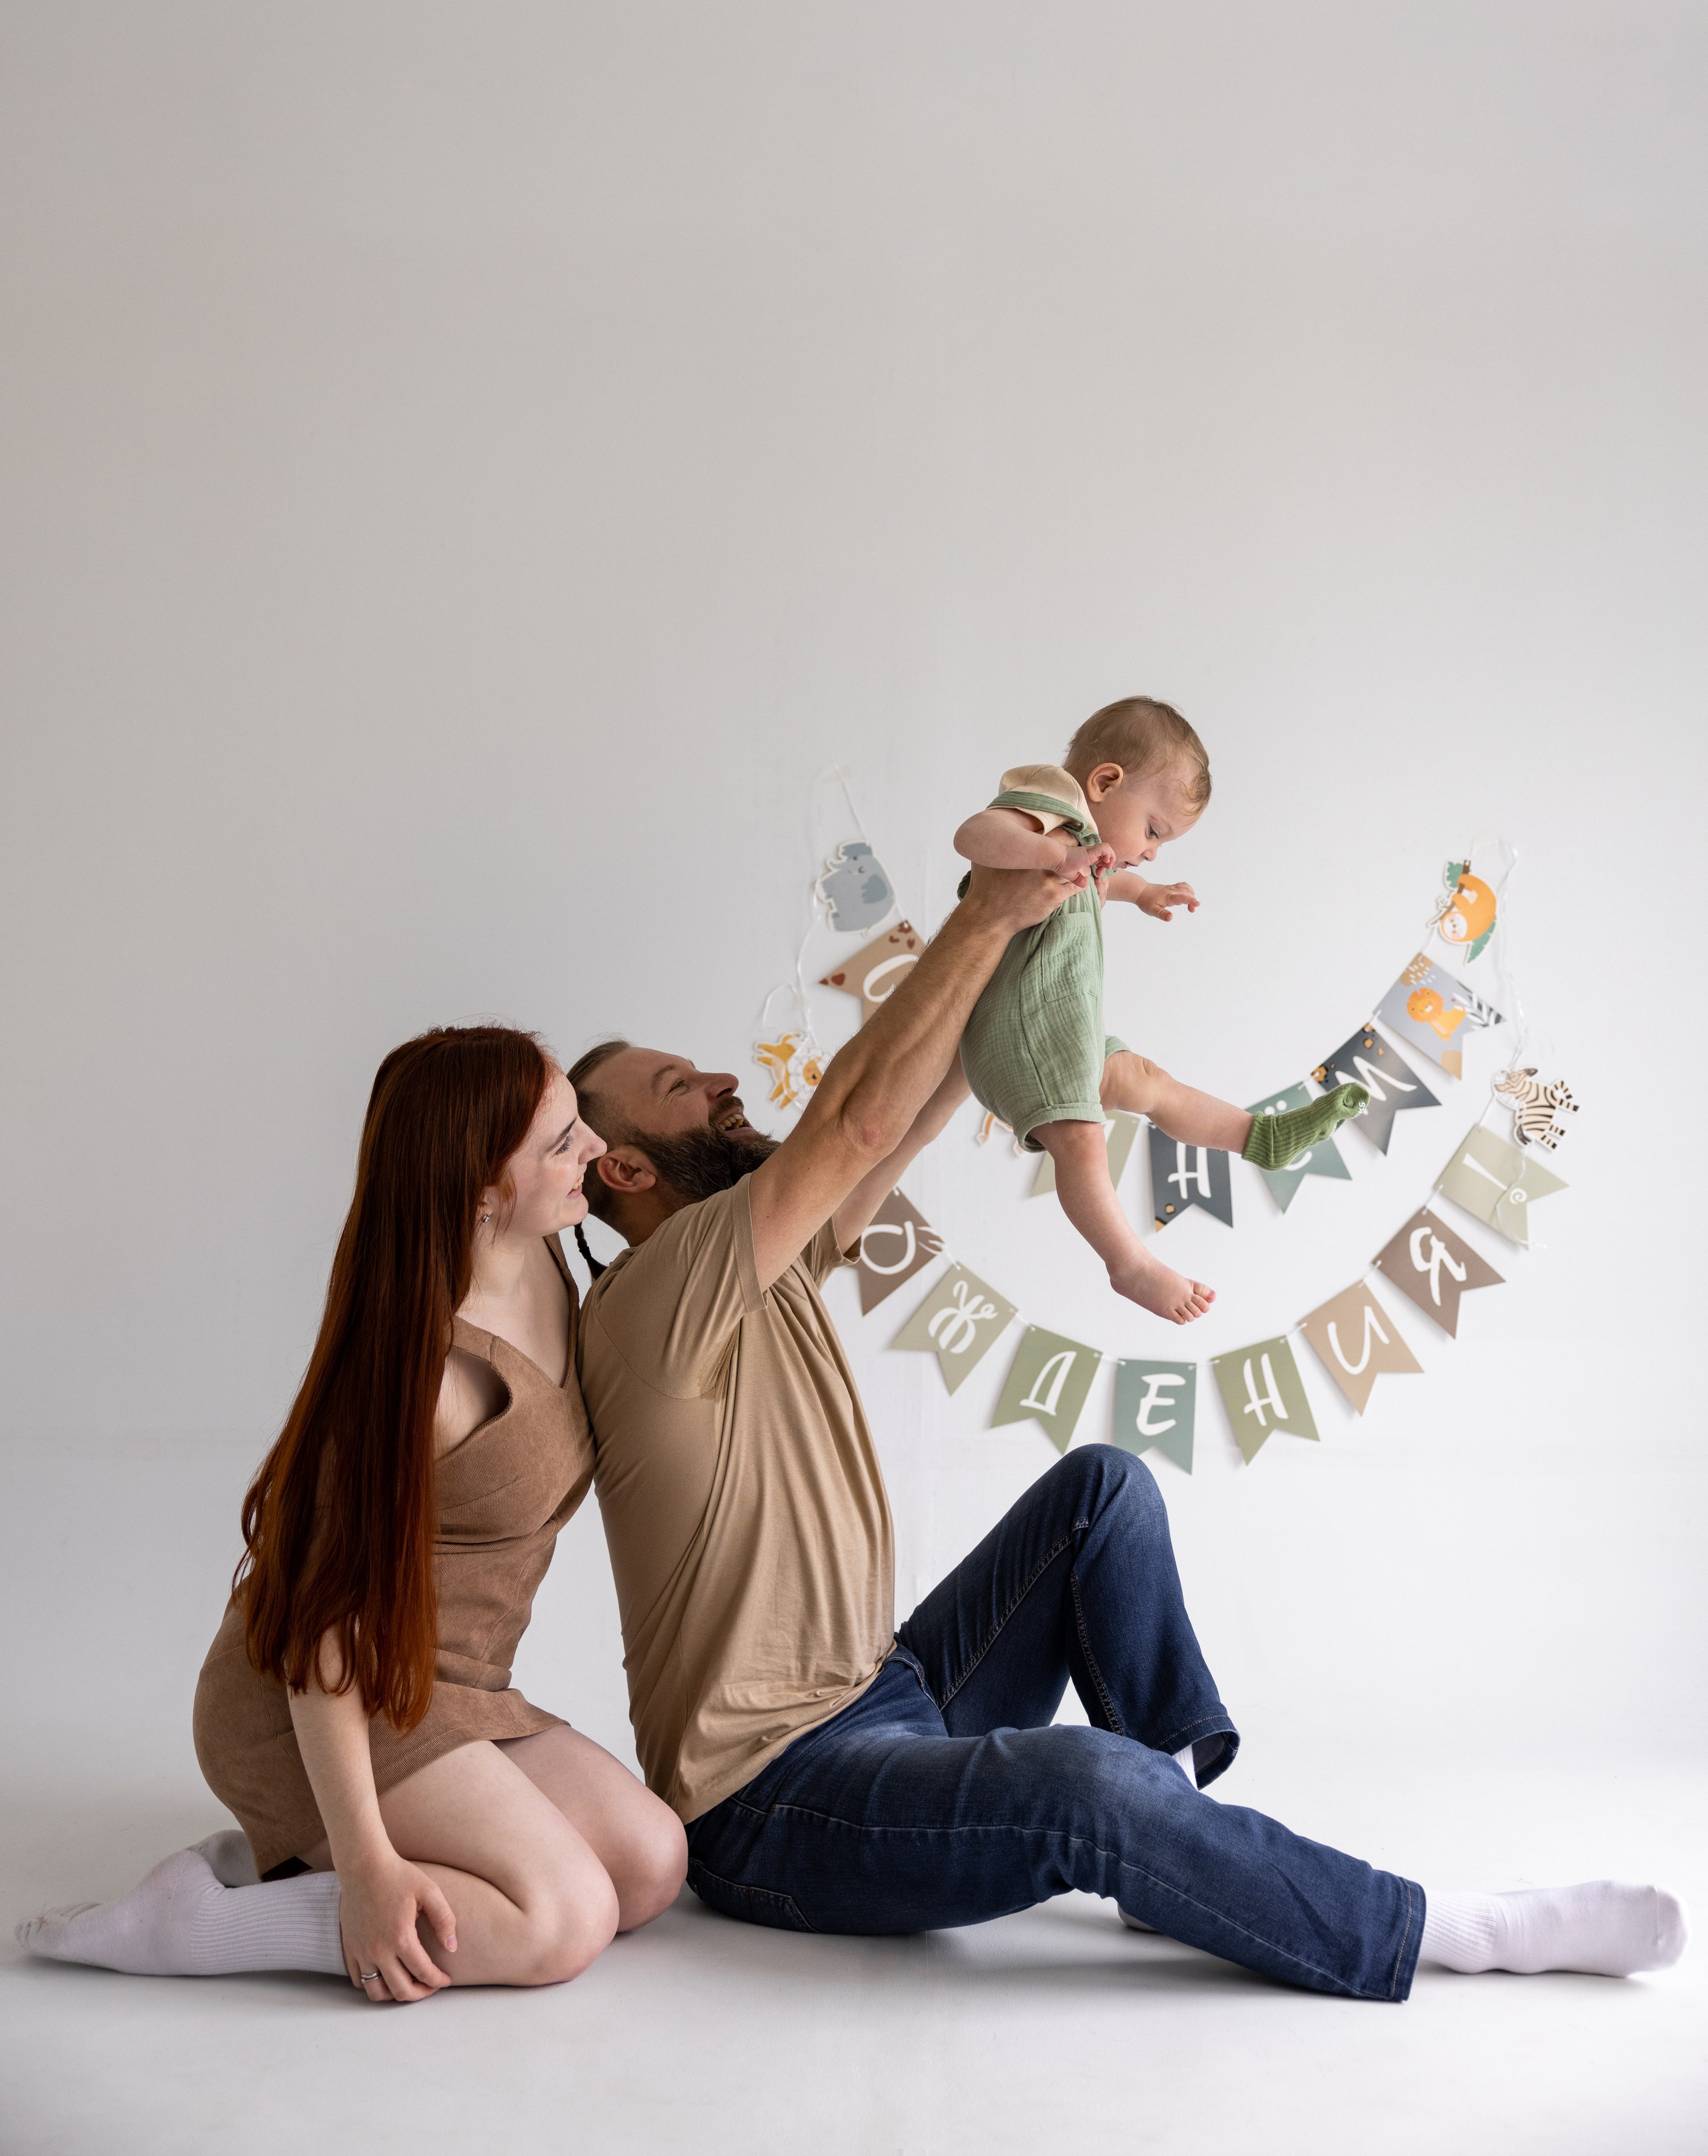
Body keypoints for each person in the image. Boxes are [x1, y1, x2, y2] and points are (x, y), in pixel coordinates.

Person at [566, 866, 1687, 1999]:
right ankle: (1452, 1926)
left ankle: (1172, 1832)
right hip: (776, 1801)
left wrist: (1026, 947)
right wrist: (990, 908)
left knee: (1102, 1494)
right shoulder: (655, 1297)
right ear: (625, 1168)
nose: (719, 1080)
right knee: (1087, 1783)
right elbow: (854, 1122)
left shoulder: (762, 1268)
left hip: (888, 1695)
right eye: (677, 1086)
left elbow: (909, 1111)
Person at [18, 1026, 686, 2002]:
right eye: (560, 1141)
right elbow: (320, 1633)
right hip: (323, 1699)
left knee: (650, 1863)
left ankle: (294, 1864)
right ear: (481, 1191)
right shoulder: (420, 1378)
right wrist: (370, 1868)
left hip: (454, 1687)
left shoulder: (543, 1254)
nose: (592, 1145)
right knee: (563, 1921)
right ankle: (211, 1914)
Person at [953, 695, 1366, 1324]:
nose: (1151, 851)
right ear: (1104, 782)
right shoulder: (1054, 806)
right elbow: (973, 836)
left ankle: (1263, 1138)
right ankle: (1129, 1264)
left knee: (1148, 1082)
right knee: (1083, 1142)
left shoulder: (1088, 854)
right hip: (1021, 1033)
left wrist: (1143, 891)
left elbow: (1104, 879)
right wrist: (1054, 855)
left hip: (1063, 1030)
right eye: (1153, 831)